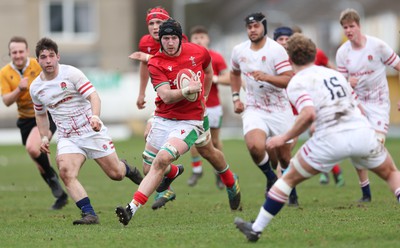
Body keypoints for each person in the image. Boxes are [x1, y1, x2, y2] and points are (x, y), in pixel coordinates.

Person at [234, 33, 400, 242]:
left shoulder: (297, 82)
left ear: (289, 58)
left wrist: (282, 137)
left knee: (287, 180)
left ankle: (256, 229)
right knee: (392, 173)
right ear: (314, 54)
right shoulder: (336, 75)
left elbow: (308, 113)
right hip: (361, 132)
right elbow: (357, 106)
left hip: (330, 139)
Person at [115, 19, 241, 226]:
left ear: (181, 38)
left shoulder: (199, 52)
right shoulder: (155, 63)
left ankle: (131, 209)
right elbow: (166, 96)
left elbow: (208, 71)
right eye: (166, 38)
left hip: (192, 120)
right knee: (149, 170)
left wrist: (205, 95)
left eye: (174, 38)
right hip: (164, 118)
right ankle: (174, 172)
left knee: (199, 153)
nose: (170, 42)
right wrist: (187, 91)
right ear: (160, 40)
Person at [30, 37, 143, 225]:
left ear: (58, 56)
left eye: (51, 56)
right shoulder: (36, 88)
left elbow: (93, 96)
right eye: (43, 57)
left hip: (91, 130)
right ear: (38, 61)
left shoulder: (71, 73)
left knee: (116, 174)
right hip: (68, 137)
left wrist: (95, 116)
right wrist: (44, 136)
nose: (48, 60)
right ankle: (89, 214)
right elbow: (41, 115)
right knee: (66, 172)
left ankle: (127, 168)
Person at [230, 13, 299, 206]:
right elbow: (234, 73)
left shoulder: (276, 50)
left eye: (256, 26)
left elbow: (288, 78)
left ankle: (291, 189)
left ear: (264, 27)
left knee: (284, 157)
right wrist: (236, 97)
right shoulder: (238, 50)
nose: (252, 30)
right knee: (254, 146)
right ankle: (271, 177)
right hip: (255, 108)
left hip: (279, 108)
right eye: (249, 26)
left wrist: (267, 77)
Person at [336, 8, 400, 202]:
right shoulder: (342, 53)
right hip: (357, 105)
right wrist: (348, 84)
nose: (348, 30)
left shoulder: (378, 46)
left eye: (351, 26)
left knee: (374, 146)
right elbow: (340, 84)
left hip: (379, 103)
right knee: (357, 146)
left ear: (359, 26)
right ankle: (366, 192)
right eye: (345, 27)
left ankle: (395, 181)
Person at [0, 36, 68, 210]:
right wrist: (19, 89)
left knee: (33, 147)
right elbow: (6, 101)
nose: (18, 55)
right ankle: (61, 195)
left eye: (21, 51)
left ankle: (54, 180)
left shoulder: (38, 64)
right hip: (24, 119)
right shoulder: (4, 73)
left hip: (45, 115)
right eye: (14, 52)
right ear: (10, 54)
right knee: (40, 162)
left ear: (27, 52)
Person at [129, 6, 186, 209]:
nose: (155, 27)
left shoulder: (179, 40)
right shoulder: (146, 42)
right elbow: (146, 68)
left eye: (159, 23)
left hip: (184, 106)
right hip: (163, 102)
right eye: (151, 23)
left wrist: (148, 58)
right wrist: (142, 93)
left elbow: (176, 65)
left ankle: (228, 179)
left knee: (209, 152)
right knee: (148, 158)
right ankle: (170, 179)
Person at [274, 26, 345, 187]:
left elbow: (332, 70)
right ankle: (331, 171)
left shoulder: (316, 54)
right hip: (288, 110)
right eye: (282, 39)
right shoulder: (278, 59)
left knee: (313, 137)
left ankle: (282, 189)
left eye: (288, 39)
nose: (285, 43)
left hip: (311, 108)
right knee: (286, 151)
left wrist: (345, 80)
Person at [186, 25, 231, 189]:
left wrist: (215, 79)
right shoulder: (186, 56)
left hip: (212, 106)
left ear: (208, 39)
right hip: (193, 106)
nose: (199, 40)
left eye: (202, 37)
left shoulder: (216, 57)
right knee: (193, 139)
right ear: (191, 40)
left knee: (215, 140)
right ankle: (197, 170)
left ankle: (219, 173)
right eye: (195, 37)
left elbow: (229, 78)